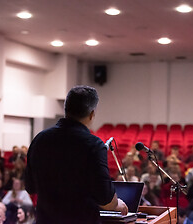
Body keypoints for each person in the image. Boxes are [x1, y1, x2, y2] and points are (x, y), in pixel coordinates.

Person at [25, 85, 128, 224]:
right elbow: (106, 201)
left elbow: (30, 187)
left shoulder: (39, 140)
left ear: (66, 110)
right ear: (92, 114)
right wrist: (117, 204)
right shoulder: (93, 145)